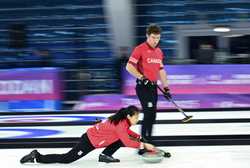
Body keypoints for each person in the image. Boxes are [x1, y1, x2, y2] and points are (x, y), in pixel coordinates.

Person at [20, 105, 156, 164]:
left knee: (120, 139)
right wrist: (143, 144)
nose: (137, 120)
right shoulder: (121, 124)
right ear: (129, 116)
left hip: (95, 138)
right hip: (89, 141)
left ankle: (105, 155)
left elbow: (126, 134)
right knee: (67, 159)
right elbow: (127, 141)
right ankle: (37, 156)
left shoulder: (124, 122)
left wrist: (138, 137)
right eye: (136, 117)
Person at [126, 24, 172, 144]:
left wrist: (166, 88)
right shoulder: (139, 49)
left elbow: (161, 71)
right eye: (153, 37)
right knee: (148, 113)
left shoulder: (159, 52)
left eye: (157, 38)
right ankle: (143, 143)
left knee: (152, 115)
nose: (155, 41)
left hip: (153, 87)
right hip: (143, 87)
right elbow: (129, 66)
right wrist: (141, 77)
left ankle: (150, 141)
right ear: (147, 36)